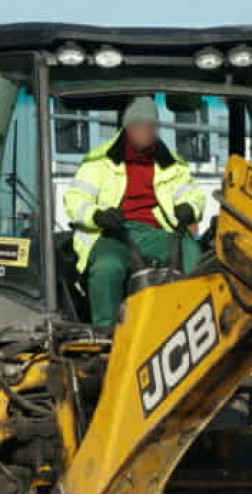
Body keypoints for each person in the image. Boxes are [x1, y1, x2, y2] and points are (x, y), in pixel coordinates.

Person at [62, 96, 206, 327]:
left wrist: (189, 208)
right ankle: (105, 332)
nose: (146, 131)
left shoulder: (173, 163)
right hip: (112, 233)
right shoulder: (98, 161)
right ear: (127, 127)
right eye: (140, 125)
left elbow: (193, 195)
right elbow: (75, 200)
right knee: (107, 267)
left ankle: (192, 325)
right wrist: (98, 215)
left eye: (151, 126)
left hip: (159, 232)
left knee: (192, 255)